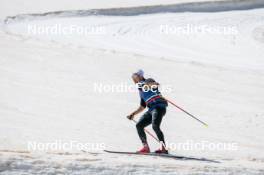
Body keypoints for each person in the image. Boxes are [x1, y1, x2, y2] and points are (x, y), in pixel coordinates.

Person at [127, 70, 168, 154]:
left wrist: (150, 85)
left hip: (159, 107)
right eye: (133, 78)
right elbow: (142, 106)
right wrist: (133, 114)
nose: (134, 80)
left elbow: (155, 84)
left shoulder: (147, 81)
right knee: (139, 125)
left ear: (140, 76)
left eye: (135, 77)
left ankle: (163, 149)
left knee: (155, 126)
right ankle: (146, 147)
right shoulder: (141, 92)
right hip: (151, 109)